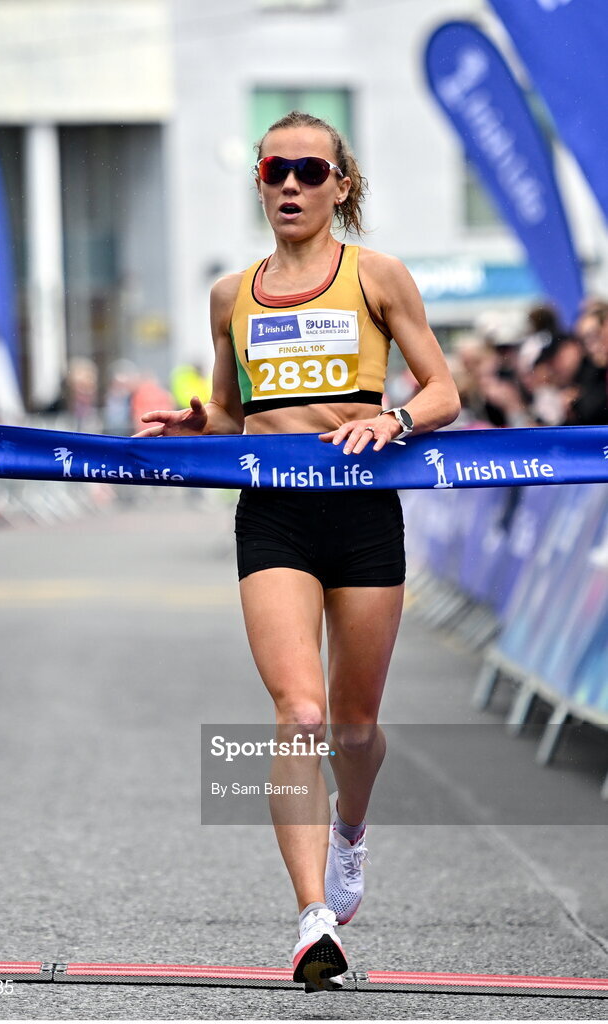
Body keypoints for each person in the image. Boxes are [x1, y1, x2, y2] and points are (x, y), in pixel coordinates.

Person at [136, 111, 460, 991]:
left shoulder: (377, 275)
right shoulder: (230, 294)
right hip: (273, 516)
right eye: (275, 168)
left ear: (339, 186)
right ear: (258, 180)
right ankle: (314, 915)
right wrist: (198, 422)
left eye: (309, 171)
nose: (290, 184)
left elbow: (444, 392)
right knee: (302, 715)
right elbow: (235, 414)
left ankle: (353, 829)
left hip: (361, 514)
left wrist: (391, 417)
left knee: (354, 729)